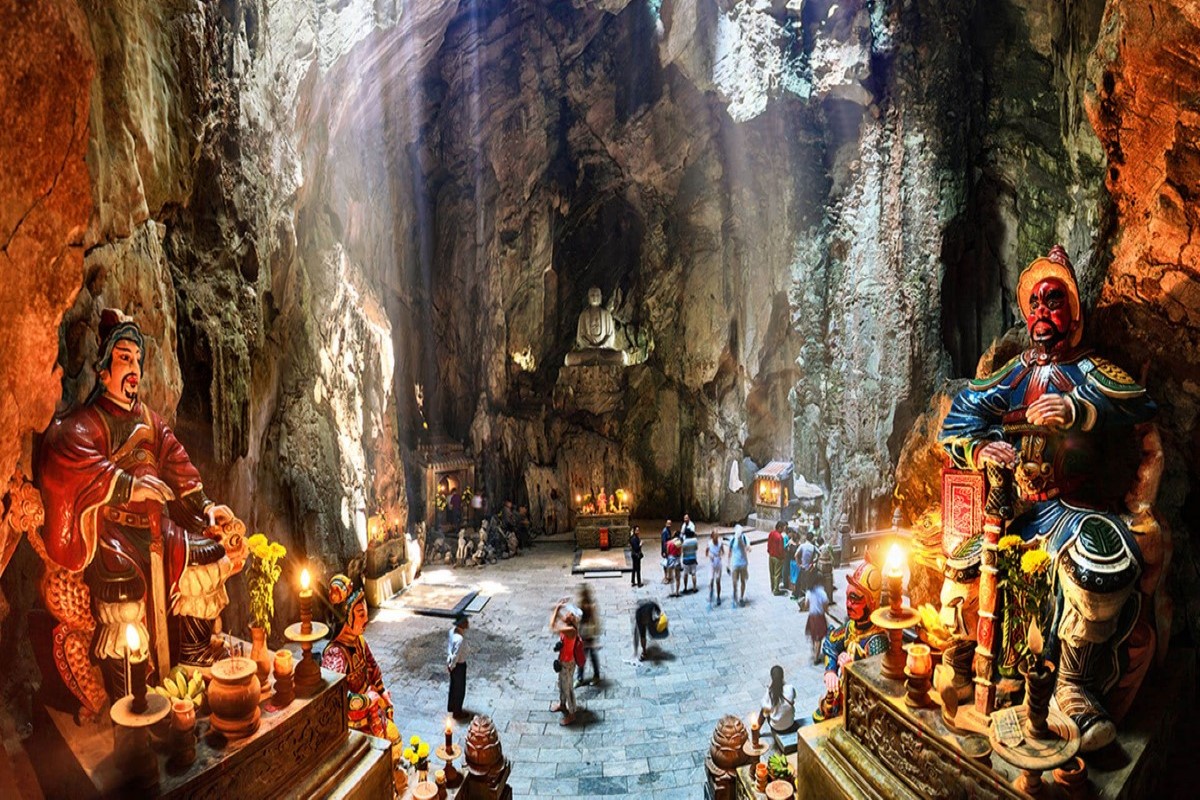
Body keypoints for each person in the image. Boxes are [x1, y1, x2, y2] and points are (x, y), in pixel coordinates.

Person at [939, 245, 1162, 752]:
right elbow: (959, 418)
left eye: (1054, 301)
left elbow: (1139, 403)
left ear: (1074, 311)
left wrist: (1079, 411)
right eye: (1034, 303)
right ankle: (981, 673)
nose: (1042, 313)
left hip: (1069, 509)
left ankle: (1074, 690)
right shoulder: (1014, 374)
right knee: (959, 568)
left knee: (1100, 564)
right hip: (1015, 510)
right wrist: (980, 447)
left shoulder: (1090, 371)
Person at [37, 310, 247, 714]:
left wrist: (207, 509)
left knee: (209, 554)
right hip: (113, 534)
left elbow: (180, 470)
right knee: (123, 596)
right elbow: (64, 454)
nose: (133, 369)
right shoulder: (88, 422)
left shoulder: (151, 422)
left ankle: (191, 656)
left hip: (160, 531)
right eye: (124, 358)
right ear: (103, 369)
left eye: (137, 360)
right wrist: (128, 486)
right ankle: (128, 694)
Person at [323, 574, 399, 742]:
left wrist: (382, 692)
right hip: (352, 726)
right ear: (346, 618)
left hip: (372, 712)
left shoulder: (360, 641)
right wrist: (366, 700)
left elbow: (373, 668)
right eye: (360, 615)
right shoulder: (336, 654)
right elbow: (335, 696)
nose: (366, 620)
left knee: (394, 740)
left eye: (366, 614)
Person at [814, 560, 888, 721]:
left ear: (871, 603)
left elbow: (878, 684)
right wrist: (831, 671)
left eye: (855, 599)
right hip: (841, 693)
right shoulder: (851, 627)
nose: (848, 604)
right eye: (848, 597)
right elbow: (830, 643)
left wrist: (852, 668)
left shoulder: (877, 641)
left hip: (860, 708)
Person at [550, 600, 586, 725]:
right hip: (563, 661)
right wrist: (558, 608)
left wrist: (556, 609)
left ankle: (572, 713)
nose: (566, 614)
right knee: (561, 684)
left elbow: (552, 626)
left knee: (568, 687)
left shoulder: (570, 630)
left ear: (572, 619)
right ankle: (562, 704)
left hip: (568, 663)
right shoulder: (567, 625)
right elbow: (558, 619)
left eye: (569, 614)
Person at [760, 665, 798, 733]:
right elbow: (794, 698)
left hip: (776, 728)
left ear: (772, 678)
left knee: (764, 709)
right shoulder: (790, 688)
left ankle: (757, 728)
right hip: (790, 724)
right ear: (783, 676)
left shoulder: (770, 693)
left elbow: (765, 712)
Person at [576, 584, 602, 685]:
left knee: (592, 655)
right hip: (583, 633)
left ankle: (596, 676)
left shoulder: (591, 605)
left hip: (589, 633)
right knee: (581, 656)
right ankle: (580, 677)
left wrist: (595, 634)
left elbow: (594, 620)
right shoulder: (580, 604)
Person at [446, 615, 469, 718]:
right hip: (459, 665)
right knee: (459, 689)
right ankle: (457, 712)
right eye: (466, 621)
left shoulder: (452, 631)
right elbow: (456, 654)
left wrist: (450, 664)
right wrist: (453, 665)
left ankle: (451, 706)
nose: (468, 623)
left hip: (452, 663)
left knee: (453, 686)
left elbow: (450, 649)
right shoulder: (460, 639)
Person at [805, 583, 830, 664]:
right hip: (820, 616)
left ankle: (813, 649)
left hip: (811, 616)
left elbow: (806, 605)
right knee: (818, 638)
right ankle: (816, 657)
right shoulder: (822, 592)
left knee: (813, 634)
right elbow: (825, 605)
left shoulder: (809, 592)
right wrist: (826, 612)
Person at [728, 524, 751, 607]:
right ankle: (735, 595)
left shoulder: (745, 538)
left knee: (743, 581)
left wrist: (745, 546)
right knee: (734, 582)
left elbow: (749, 548)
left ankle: (741, 597)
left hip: (743, 564)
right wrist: (728, 564)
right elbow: (729, 551)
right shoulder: (732, 539)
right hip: (735, 564)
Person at [794, 532, 817, 606]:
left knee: (801, 583)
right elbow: (819, 554)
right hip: (809, 568)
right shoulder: (813, 547)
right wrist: (814, 561)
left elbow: (796, 555)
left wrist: (798, 564)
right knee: (808, 584)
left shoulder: (802, 546)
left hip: (803, 567)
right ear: (812, 538)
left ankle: (801, 598)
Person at [706, 530, 726, 607]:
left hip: (718, 563)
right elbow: (706, 552)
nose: (716, 537)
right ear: (712, 536)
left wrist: (720, 554)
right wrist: (709, 556)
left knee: (718, 581)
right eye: (715, 536)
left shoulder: (720, 543)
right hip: (712, 563)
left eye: (717, 536)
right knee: (711, 579)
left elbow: (723, 552)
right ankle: (710, 593)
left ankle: (718, 597)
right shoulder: (709, 543)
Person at [767, 521, 785, 596]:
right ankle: (776, 590)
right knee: (777, 574)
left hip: (771, 556)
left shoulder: (771, 533)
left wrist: (769, 551)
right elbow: (781, 549)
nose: (783, 530)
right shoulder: (780, 537)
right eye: (783, 528)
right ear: (779, 528)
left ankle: (772, 587)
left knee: (772, 573)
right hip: (778, 557)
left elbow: (768, 544)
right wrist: (782, 557)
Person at [680, 527, 699, 594]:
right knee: (693, 574)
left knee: (685, 574)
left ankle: (685, 587)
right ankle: (694, 588)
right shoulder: (695, 540)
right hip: (693, 558)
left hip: (686, 559)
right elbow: (696, 548)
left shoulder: (684, 542)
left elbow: (682, 551)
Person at [816, 535, 835, 602]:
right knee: (829, 582)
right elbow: (832, 555)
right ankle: (830, 599)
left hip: (822, 566)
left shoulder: (819, 549)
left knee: (822, 582)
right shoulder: (828, 547)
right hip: (829, 565)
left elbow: (816, 558)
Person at [660, 519, 673, 584]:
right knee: (665, 564)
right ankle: (666, 576)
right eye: (668, 523)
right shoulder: (665, 531)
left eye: (670, 524)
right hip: (666, 550)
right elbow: (663, 542)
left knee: (669, 563)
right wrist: (664, 551)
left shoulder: (668, 531)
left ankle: (668, 576)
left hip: (669, 549)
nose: (669, 525)